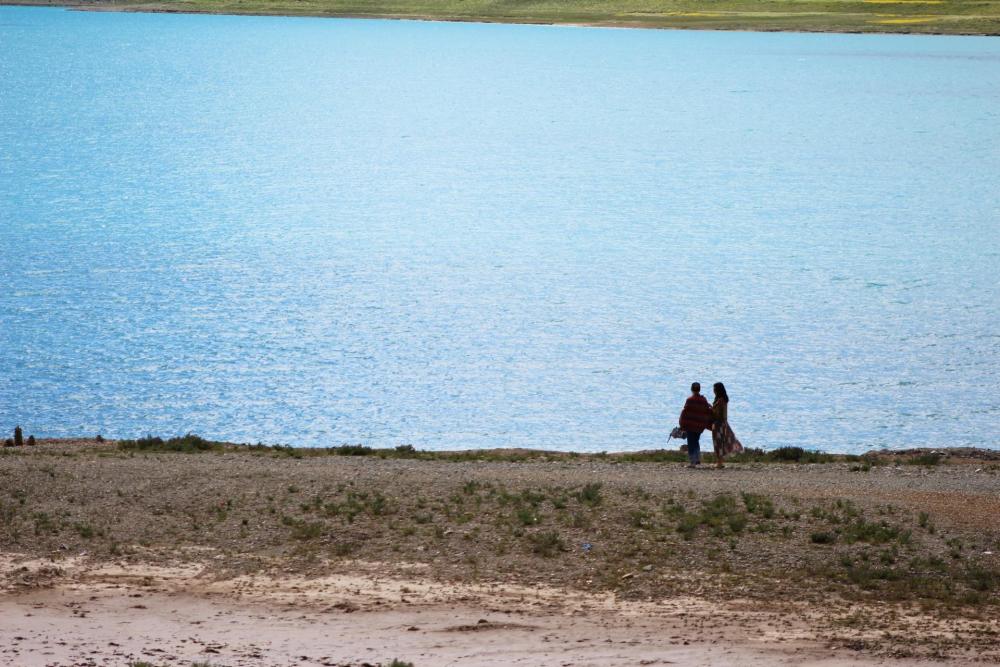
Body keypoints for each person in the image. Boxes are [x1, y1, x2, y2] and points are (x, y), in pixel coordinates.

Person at [679, 382, 712, 468]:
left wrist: (682, 424)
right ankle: (697, 459)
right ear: (699, 389)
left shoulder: (690, 400)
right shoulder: (703, 400)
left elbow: (685, 412)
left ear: (691, 389)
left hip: (690, 425)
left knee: (691, 442)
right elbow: (707, 412)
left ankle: (692, 462)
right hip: (700, 425)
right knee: (696, 441)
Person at [710, 382, 743, 468]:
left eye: (714, 389)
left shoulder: (720, 400)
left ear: (717, 390)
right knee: (722, 442)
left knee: (718, 443)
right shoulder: (723, 399)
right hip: (723, 423)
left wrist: (710, 409)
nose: (713, 390)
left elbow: (716, 412)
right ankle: (720, 462)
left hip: (718, 424)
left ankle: (719, 463)